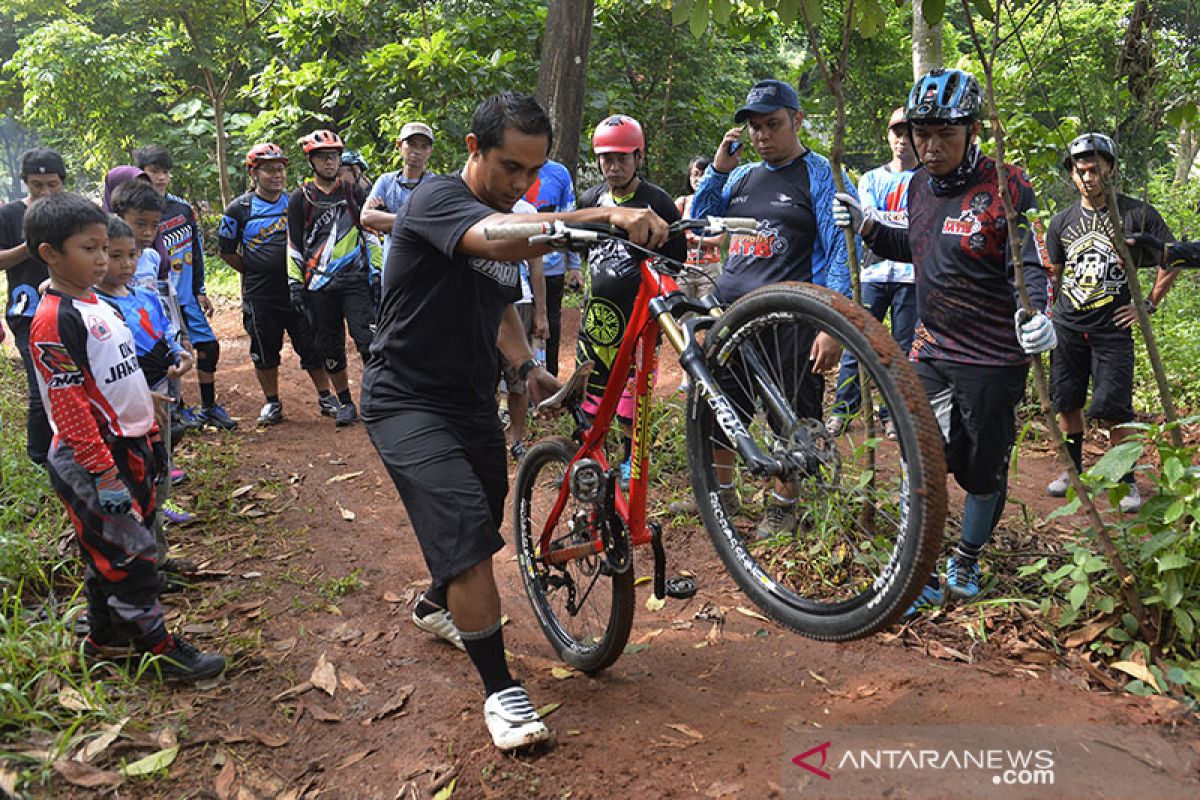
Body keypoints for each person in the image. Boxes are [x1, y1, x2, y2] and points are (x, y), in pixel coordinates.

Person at [360, 91, 668, 751]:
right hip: (403, 400)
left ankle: (436, 605)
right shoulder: (439, 200)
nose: (521, 184)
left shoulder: (511, 214)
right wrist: (602, 215)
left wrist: (529, 367)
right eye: (509, 168)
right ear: (474, 150)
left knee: (484, 509)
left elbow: (498, 302)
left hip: (470, 399)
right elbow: (488, 239)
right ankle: (501, 692)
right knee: (470, 540)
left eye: (534, 171)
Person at [834, 68, 1054, 610]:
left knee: (982, 469)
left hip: (995, 357)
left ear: (973, 131)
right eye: (920, 134)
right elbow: (917, 247)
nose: (930, 148)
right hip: (931, 347)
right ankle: (920, 566)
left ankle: (968, 557)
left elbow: (1028, 262)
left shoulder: (1008, 185)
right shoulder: (915, 187)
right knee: (922, 455)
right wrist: (865, 225)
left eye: (944, 136)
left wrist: (1039, 314)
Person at [25, 191, 224, 681]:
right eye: (88, 249)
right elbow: (70, 408)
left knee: (111, 552)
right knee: (131, 555)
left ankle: (105, 639)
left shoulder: (95, 302)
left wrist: (143, 402)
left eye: (103, 248)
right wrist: (103, 472)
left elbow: (112, 372)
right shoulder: (54, 320)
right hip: (94, 455)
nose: (100, 259)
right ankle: (156, 648)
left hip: (129, 443)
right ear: (50, 253)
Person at [689, 78, 853, 538]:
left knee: (792, 413)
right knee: (720, 406)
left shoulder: (819, 174)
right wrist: (718, 171)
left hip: (791, 316)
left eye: (773, 124)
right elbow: (702, 222)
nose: (762, 135)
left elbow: (840, 250)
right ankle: (722, 493)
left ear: (797, 120)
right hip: (731, 314)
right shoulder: (742, 175)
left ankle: (784, 502)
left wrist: (833, 323)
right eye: (756, 127)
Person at [1043, 133, 1176, 513]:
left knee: (1114, 407)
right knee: (1067, 399)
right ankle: (1072, 470)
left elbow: (1170, 259)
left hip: (1113, 327)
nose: (1088, 178)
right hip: (1069, 326)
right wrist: (1048, 314)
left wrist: (1146, 305)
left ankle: (1126, 480)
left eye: (1095, 170)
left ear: (1111, 170)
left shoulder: (1137, 214)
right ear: (1071, 174)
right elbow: (1055, 272)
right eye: (1081, 170)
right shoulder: (1061, 222)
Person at [576, 114, 687, 488]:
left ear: (638, 157)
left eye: (623, 157)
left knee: (631, 399)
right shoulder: (591, 200)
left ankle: (629, 463)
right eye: (606, 157)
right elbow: (581, 251)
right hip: (595, 321)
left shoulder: (658, 202)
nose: (614, 165)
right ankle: (591, 460)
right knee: (591, 395)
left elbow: (676, 258)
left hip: (639, 322)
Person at [95, 215, 198, 549]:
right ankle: (141, 552)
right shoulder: (95, 307)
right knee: (133, 475)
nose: (126, 264)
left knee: (160, 465)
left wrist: (181, 355)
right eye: (115, 256)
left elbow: (166, 331)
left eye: (132, 255)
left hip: (160, 392)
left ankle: (157, 550)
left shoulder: (145, 296)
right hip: (124, 400)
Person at [219, 143, 335, 426]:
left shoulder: (298, 201)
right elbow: (226, 250)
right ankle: (272, 403)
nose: (276, 175)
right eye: (269, 170)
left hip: (297, 288)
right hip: (260, 295)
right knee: (264, 349)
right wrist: (254, 269)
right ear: (253, 173)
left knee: (311, 344)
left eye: (280, 169)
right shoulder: (239, 209)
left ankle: (326, 396)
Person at [830, 106, 919, 437]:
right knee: (858, 341)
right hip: (872, 273)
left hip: (911, 275)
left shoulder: (926, 179)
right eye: (897, 132)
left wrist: (880, 223)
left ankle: (894, 413)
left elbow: (895, 224)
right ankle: (843, 409)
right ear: (888, 136)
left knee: (904, 348)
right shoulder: (870, 179)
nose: (902, 139)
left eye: (909, 132)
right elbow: (865, 219)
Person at [134, 145, 236, 430]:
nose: (162, 178)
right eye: (155, 171)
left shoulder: (181, 208)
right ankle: (174, 409)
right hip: (156, 298)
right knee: (165, 353)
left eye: (166, 171)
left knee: (207, 347)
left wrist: (200, 288)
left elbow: (196, 248)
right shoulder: (134, 213)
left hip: (185, 294)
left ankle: (209, 406)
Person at [287, 129, 381, 427]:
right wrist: (294, 283)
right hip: (318, 285)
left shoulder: (354, 192)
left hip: (355, 281)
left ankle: (375, 399)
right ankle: (344, 402)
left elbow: (371, 233)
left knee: (368, 341)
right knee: (329, 345)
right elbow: (293, 242)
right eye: (323, 157)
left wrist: (377, 273)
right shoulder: (300, 198)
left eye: (334, 157)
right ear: (311, 161)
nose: (330, 163)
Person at [0, 147, 66, 465]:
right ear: (25, 182)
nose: (45, 191)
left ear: (62, 183)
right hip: (26, 311)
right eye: (37, 184)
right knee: (40, 383)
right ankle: (38, 457)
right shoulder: (10, 215)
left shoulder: (71, 213)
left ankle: (70, 446)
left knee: (70, 381)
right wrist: (31, 245)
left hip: (68, 307)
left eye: (52, 184)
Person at [522, 158, 582, 376]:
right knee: (519, 324)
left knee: (550, 326)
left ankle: (551, 379)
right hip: (516, 264)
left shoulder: (560, 173)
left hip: (551, 265)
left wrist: (575, 266)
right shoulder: (513, 167)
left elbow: (570, 220)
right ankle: (519, 386)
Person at [498, 198, 548, 459]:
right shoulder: (472, 202)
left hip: (520, 302)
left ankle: (516, 440)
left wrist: (541, 314)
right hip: (479, 303)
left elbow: (536, 267)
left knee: (518, 375)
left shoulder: (528, 212)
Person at [673, 154, 726, 393]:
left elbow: (721, 240)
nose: (698, 178)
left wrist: (697, 240)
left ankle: (708, 374)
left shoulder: (717, 204)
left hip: (710, 269)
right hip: (684, 268)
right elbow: (671, 231)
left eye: (703, 173)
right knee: (683, 323)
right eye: (695, 173)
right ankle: (687, 375)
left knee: (712, 321)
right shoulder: (682, 203)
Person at [362, 122, 435, 264]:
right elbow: (366, 217)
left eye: (424, 146)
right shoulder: (386, 181)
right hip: (392, 268)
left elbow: (436, 226)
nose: (417, 151)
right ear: (399, 145)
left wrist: (387, 219)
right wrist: (418, 222)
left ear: (430, 151)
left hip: (425, 268)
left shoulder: (435, 185)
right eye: (412, 144)